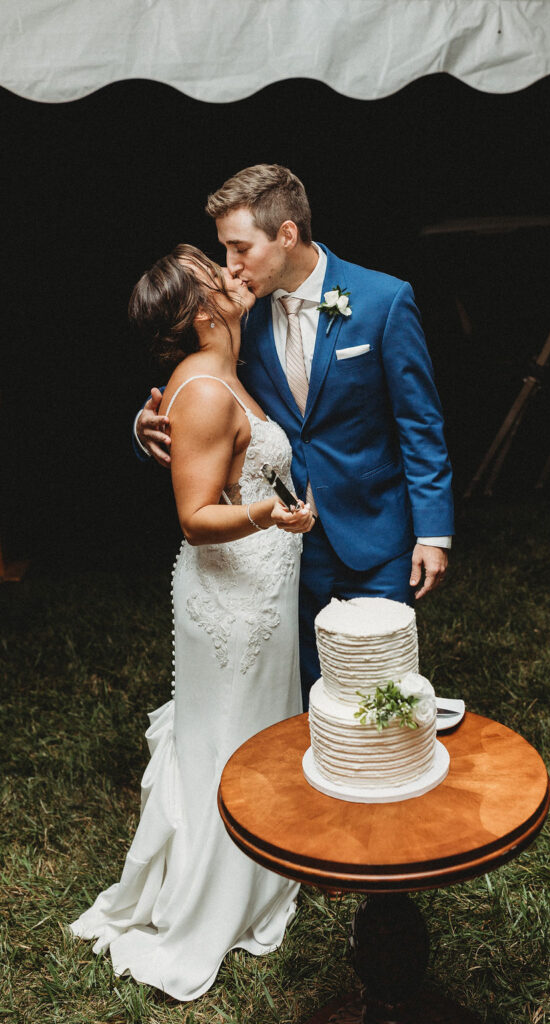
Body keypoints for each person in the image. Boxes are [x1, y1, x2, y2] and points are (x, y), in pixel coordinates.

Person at [71, 245, 314, 1001]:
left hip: (256, 592)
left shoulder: (219, 372)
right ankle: (219, 890)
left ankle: (264, 860)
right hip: (232, 597)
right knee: (229, 739)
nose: (231, 274)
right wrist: (267, 512)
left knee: (252, 729)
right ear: (203, 310)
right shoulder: (206, 389)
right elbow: (194, 517)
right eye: (217, 274)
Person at [136, 165, 455, 706]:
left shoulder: (384, 300)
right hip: (285, 550)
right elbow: (201, 388)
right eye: (225, 251)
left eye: (240, 248)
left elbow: (419, 424)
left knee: (380, 689)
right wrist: (144, 425)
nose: (230, 267)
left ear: (286, 234)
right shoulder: (241, 314)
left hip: (375, 533)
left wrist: (433, 533)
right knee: (303, 695)